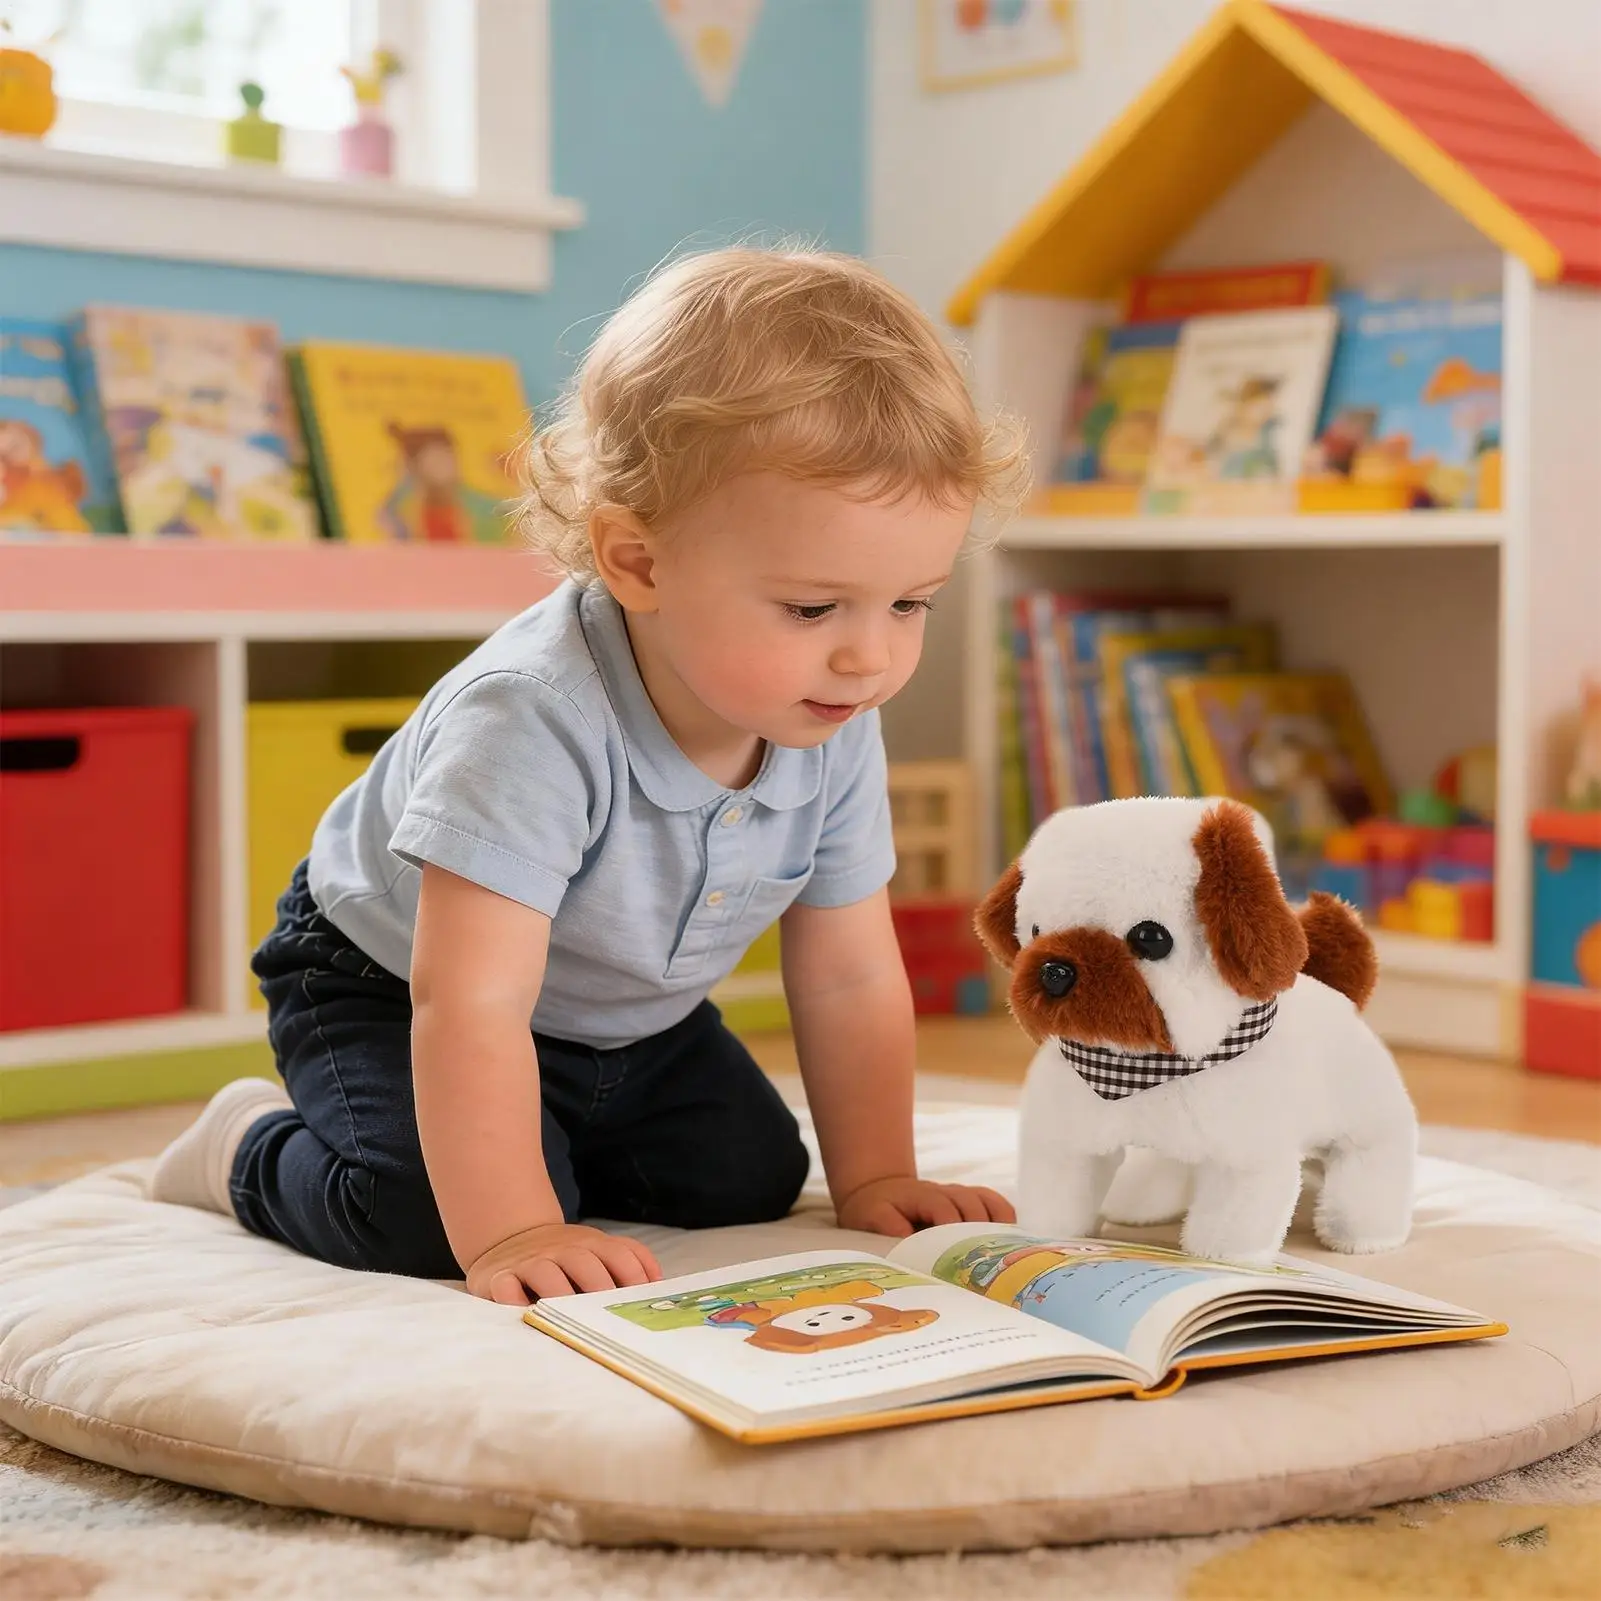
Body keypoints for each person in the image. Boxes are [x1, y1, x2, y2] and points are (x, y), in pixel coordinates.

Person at [151, 246, 1025, 1304]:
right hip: (389, 982)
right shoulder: (532, 715)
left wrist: (878, 1171)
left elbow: (845, 969)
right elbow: (465, 996)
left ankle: (553, 1135)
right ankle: (246, 1145)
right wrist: (514, 1226)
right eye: (812, 607)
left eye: (908, 602)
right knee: (433, 1217)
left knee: (743, 1176)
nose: (868, 656)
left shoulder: (825, 710)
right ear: (637, 561)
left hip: (617, 1017)